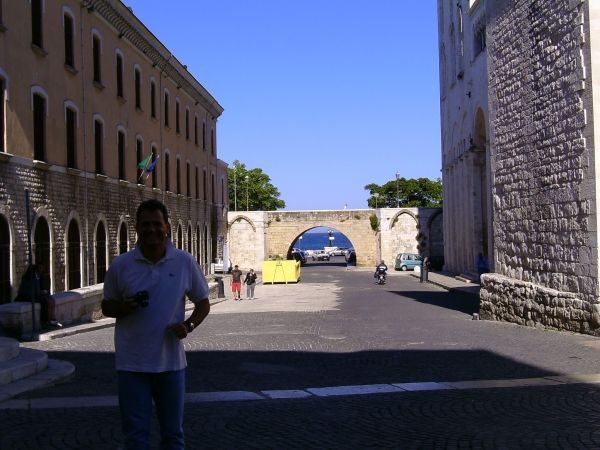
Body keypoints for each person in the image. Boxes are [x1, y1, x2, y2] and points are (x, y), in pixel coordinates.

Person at [102, 199, 210, 450]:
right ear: (137, 229)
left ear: (167, 228)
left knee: (173, 436)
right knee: (135, 437)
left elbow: (202, 303)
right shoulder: (121, 264)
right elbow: (107, 306)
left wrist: (189, 325)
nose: (152, 229)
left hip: (171, 364)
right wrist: (123, 308)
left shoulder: (184, 261)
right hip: (131, 364)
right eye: (145, 225)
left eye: (157, 224)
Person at [15, 263, 61, 329]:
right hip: (28, 296)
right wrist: (42, 293)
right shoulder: (33, 278)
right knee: (45, 301)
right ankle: (45, 321)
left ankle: (51, 319)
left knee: (49, 299)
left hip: (27, 296)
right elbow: (35, 291)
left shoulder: (26, 277)